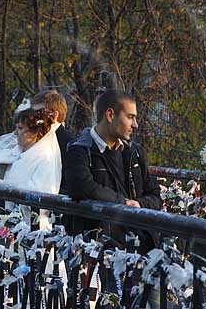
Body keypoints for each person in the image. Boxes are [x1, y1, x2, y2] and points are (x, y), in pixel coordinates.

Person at [63, 89, 162, 249]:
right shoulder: (79, 150)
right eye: (130, 117)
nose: (135, 125)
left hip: (138, 247)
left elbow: (155, 196)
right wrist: (123, 203)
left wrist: (136, 204)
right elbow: (82, 187)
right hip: (97, 250)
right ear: (110, 115)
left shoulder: (135, 153)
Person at [32, 89, 76, 193]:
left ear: (54, 115)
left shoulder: (70, 144)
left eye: (38, 113)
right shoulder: (35, 139)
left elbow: (70, 185)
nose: (33, 118)